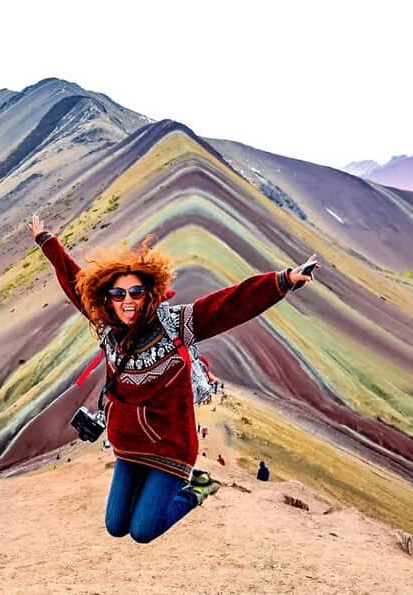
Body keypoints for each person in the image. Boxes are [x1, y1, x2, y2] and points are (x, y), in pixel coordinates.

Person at [28, 215, 316, 544]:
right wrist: (46, 241)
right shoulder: (107, 324)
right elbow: (73, 280)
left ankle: (198, 488)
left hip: (170, 447)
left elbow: (231, 305)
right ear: (106, 297)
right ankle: (152, 495)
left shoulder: (177, 323)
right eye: (118, 294)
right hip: (128, 444)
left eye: (136, 292)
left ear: (149, 293)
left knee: (143, 531)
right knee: (115, 526)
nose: (127, 301)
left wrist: (284, 280)